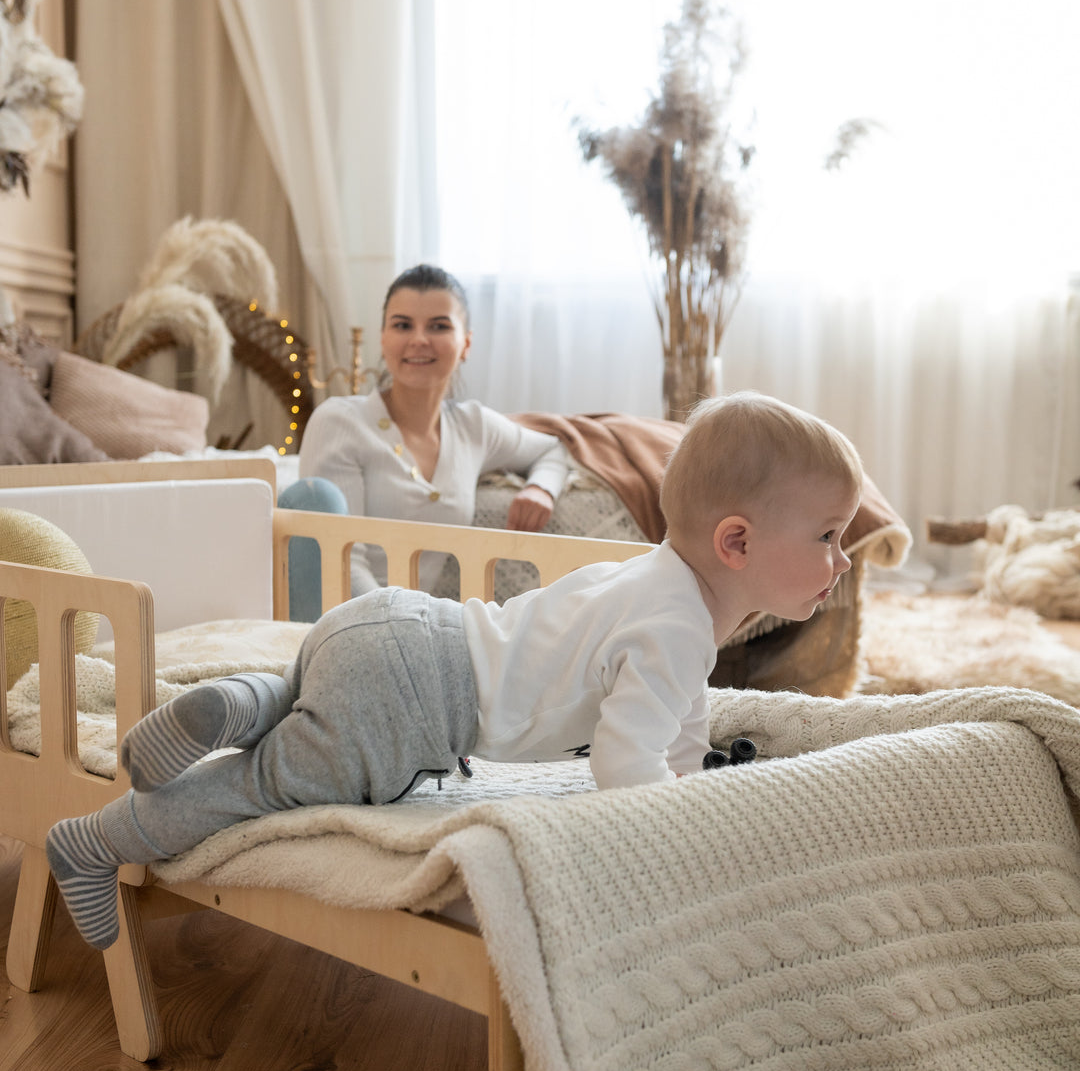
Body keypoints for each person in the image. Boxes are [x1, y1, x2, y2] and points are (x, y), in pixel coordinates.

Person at [46, 392, 863, 950]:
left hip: (393, 624)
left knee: (310, 698)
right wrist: (690, 827)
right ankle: (93, 841)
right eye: (828, 534)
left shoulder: (652, 577)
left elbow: (675, 728)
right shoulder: (680, 626)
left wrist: (689, 779)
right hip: (414, 704)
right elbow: (625, 763)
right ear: (737, 544)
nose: (843, 557)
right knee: (260, 786)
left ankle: (238, 699)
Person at [280, 264, 571, 617]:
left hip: (418, 624)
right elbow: (343, 564)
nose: (419, 339)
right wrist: (401, 625)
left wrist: (540, 488)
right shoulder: (339, 422)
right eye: (403, 325)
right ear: (383, 338)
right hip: (349, 621)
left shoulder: (473, 426)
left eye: (439, 326)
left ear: (466, 342)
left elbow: (553, 449)